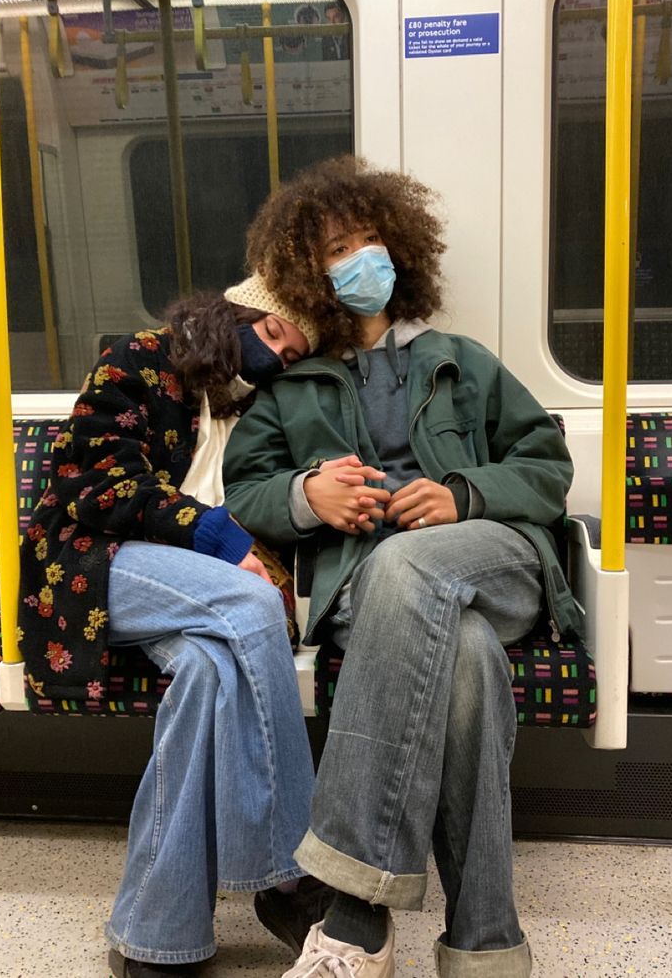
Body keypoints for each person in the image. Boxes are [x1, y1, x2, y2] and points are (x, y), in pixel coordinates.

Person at [223, 156, 584, 978]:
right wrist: (310, 494)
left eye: (369, 239)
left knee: (412, 562)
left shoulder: (461, 358)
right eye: (336, 250)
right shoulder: (289, 392)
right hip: (371, 585)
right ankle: (486, 946)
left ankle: (350, 912)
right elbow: (245, 491)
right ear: (308, 279)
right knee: (464, 661)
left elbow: (545, 466)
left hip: (493, 560)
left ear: (400, 250)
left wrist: (464, 493)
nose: (360, 259)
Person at [17, 277, 333, 978]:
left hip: (184, 590)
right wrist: (217, 537)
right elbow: (98, 483)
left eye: (291, 353)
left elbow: (258, 503)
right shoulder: (137, 360)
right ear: (232, 316)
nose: (274, 356)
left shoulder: (254, 408)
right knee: (251, 609)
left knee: (206, 671)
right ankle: (290, 876)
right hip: (93, 565)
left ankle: (156, 930)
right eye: (272, 333)